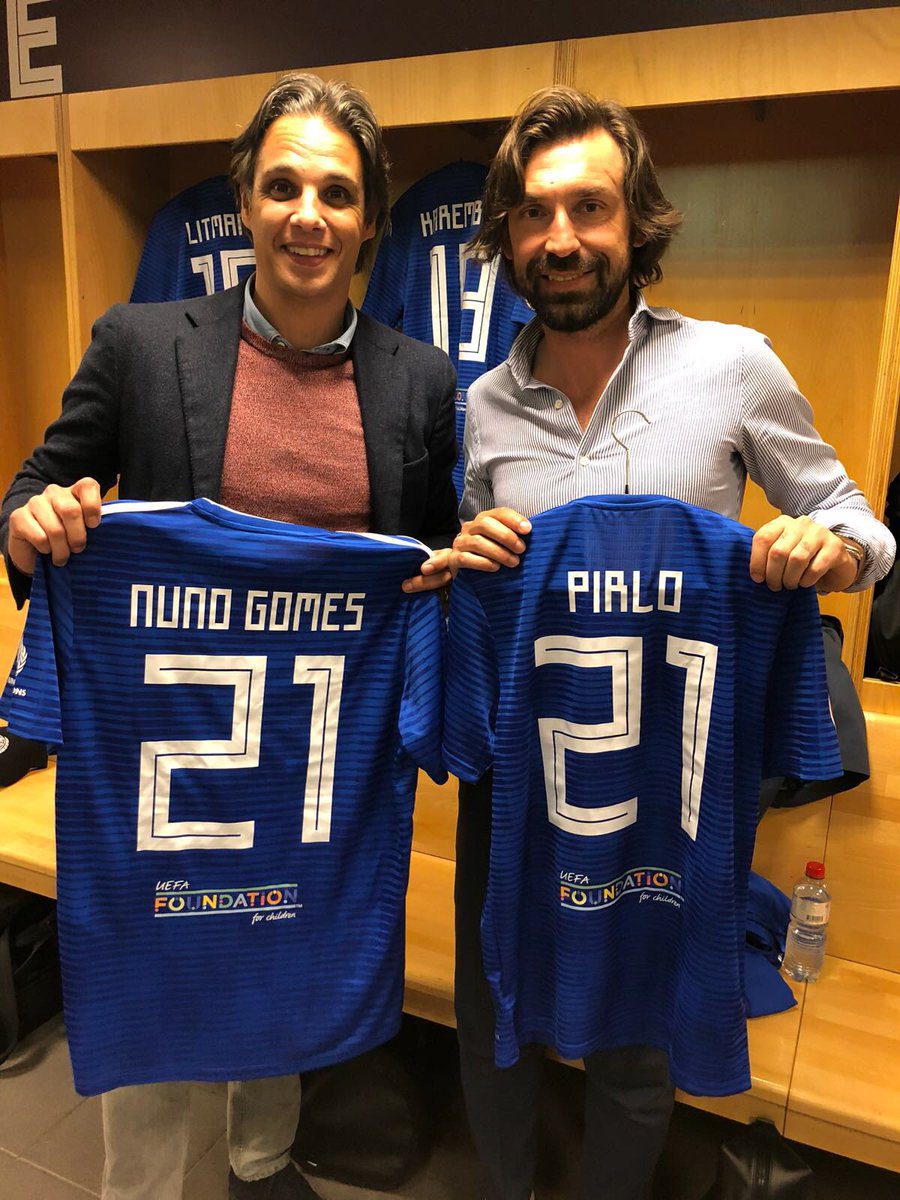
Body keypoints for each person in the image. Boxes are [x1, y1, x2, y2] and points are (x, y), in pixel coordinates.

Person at [0, 73, 456, 1200]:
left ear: (370, 220)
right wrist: (33, 524)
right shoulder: (141, 343)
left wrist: (459, 562)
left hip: (316, 755)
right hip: (167, 742)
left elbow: (432, 551)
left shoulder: (419, 381)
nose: (309, 214)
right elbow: (31, 490)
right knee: (152, 969)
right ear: (246, 200)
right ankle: (140, 1191)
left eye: (337, 193)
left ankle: (259, 1160)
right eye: (284, 185)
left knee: (286, 951)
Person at [448, 86, 894, 1200]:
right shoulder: (482, 406)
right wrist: (470, 549)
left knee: (638, 1036)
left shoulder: (735, 366)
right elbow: (473, 579)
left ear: (636, 219)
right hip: (521, 779)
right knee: (492, 1006)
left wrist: (828, 547)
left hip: (667, 785)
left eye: (589, 207)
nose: (561, 238)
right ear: (507, 234)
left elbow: (860, 522)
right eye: (534, 213)